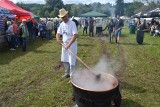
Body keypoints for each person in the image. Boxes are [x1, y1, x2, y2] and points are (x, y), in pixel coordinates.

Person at [56, 8, 78, 78]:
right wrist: (58, 39)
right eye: (62, 17)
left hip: (72, 44)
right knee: (65, 60)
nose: (64, 18)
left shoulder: (72, 23)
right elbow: (58, 33)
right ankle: (67, 73)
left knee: (72, 61)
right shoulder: (62, 24)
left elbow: (75, 35)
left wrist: (69, 45)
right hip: (64, 45)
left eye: (64, 16)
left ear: (67, 15)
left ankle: (72, 76)